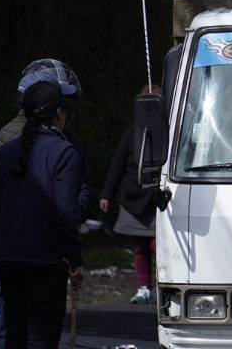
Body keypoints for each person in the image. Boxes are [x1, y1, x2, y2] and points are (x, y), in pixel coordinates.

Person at [0, 61, 82, 349]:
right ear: (59, 114)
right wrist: (74, 262)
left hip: (9, 263)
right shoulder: (64, 152)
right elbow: (66, 213)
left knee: (11, 338)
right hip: (46, 265)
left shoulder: (5, 150)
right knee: (41, 340)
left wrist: (0, 257)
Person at [100, 85, 162, 304]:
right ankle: (144, 287)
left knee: (159, 245)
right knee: (139, 246)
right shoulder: (132, 132)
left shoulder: (169, 130)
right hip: (132, 196)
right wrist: (106, 194)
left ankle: (164, 286)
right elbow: (117, 164)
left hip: (157, 197)